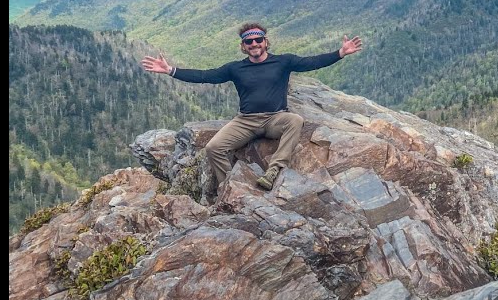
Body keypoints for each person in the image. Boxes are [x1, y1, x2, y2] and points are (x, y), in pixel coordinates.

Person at [141, 22, 364, 195]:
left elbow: (311, 62)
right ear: (243, 46)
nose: (254, 44)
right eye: (249, 42)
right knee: (213, 148)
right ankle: (229, 186)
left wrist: (340, 53)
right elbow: (204, 76)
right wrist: (171, 70)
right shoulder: (235, 68)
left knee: (295, 121)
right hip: (246, 121)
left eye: (258, 40)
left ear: (266, 42)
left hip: (275, 118)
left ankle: (274, 169)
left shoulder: (283, 61)